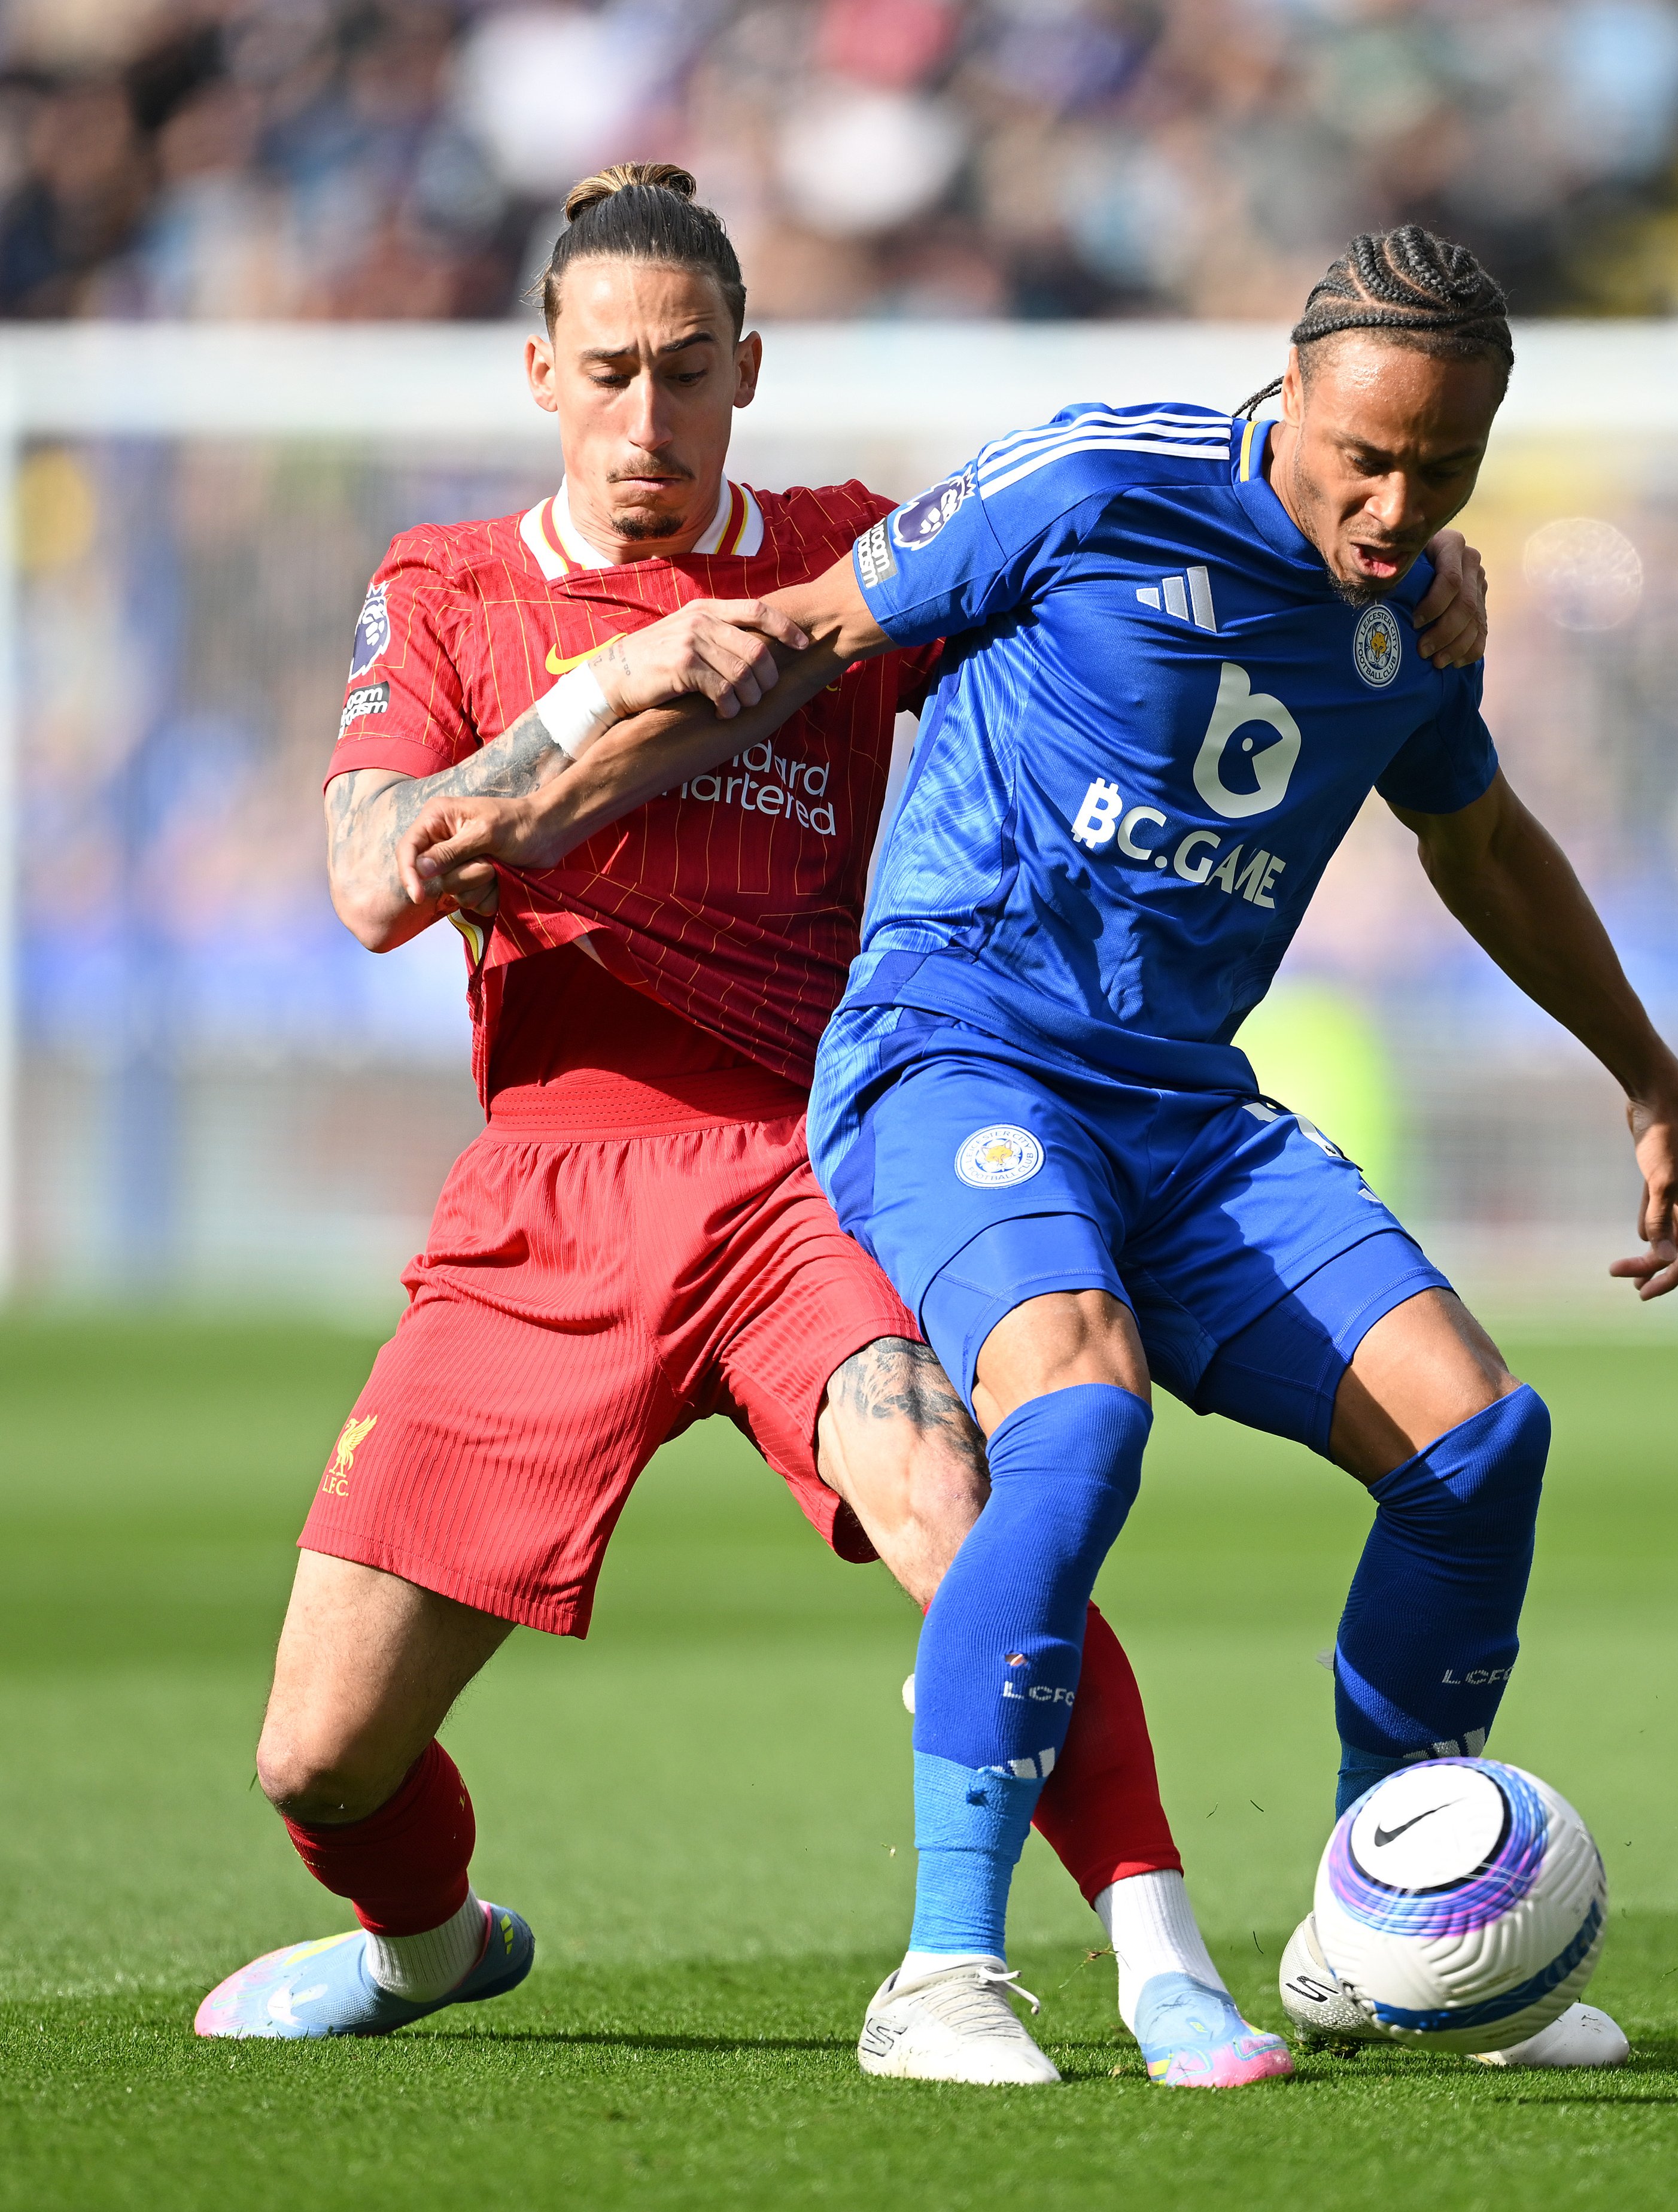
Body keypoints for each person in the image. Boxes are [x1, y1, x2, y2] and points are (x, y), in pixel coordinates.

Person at [198, 174, 1494, 2089]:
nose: (651, 421)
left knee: (985, 1503)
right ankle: (422, 1944)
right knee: (318, 1753)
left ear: (748, 371)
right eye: (614, 374)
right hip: (560, 1177)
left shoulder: (841, 553)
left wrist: (1390, 571)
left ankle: (1162, 1955)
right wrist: (606, 686)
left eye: (692, 374)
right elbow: (377, 880)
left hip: (820, 1154)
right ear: (541, 369)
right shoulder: (446, 587)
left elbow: (1125, 561)